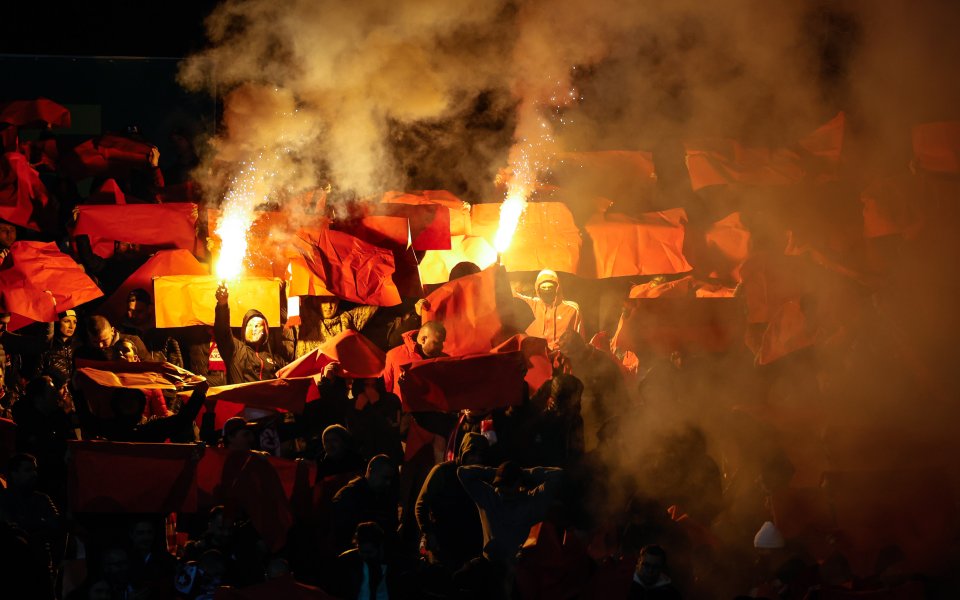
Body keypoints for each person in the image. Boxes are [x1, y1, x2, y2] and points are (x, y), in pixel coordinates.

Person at [416, 432, 489, 571]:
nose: (476, 459)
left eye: (481, 456)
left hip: (471, 545)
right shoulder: (443, 472)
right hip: (443, 542)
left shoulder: (482, 476)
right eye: (472, 454)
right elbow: (421, 504)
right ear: (463, 452)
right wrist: (428, 532)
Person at [213, 282, 289, 386]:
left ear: (265, 331)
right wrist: (222, 304)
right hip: (242, 400)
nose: (253, 329)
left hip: (267, 401)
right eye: (249, 325)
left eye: (257, 325)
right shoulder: (235, 350)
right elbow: (222, 331)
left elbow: (292, 373)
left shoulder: (275, 359)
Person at [331, 454, 399, 554]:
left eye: (390, 479)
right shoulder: (349, 495)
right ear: (371, 471)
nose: (388, 483)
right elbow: (341, 532)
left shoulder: (385, 496)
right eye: (385, 478)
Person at [293, 295, 377, 358]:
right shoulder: (305, 317)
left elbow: (376, 301)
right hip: (307, 376)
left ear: (338, 301)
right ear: (316, 300)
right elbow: (291, 298)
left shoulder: (347, 318)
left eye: (333, 300)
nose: (329, 305)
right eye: (324, 300)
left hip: (339, 377)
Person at [516, 269, 581, 350]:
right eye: (543, 287)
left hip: (561, 356)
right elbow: (511, 293)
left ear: (557, 288)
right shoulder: (533, 304)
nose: (547, 290)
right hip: (537, 355)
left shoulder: (571, 309)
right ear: (538, 289)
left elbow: (579, 338)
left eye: (550, 287)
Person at [382, 321, 447, 399]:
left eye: (442, 342)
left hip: (435, 410)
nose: (441, 347)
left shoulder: (444, 360)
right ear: (423, 339)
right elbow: (385, 391)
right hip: (403, 409)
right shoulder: (394, 356)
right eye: (437, 343)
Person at [76, 314, 149, 362]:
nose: (100, 346)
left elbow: (151, 370)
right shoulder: (86, 351)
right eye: (95, 342)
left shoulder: (134, 341)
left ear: (112, 331)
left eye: (104, 340)